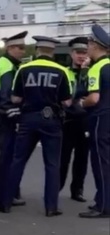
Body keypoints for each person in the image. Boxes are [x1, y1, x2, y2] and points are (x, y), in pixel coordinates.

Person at [4, 36, 73, 217]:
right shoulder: (62, 71)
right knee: (52, 164)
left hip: (28, 119)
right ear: (52, 51)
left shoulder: (24, 69)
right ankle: (51, 207)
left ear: (37, 50)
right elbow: (66, 101)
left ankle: (6, 202)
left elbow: (15, 98)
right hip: (52, 121)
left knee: (18, 160)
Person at [0, 31, 28, 213]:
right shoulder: (8, 68)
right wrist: (16, 117)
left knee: (7, 156)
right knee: (8, 157)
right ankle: (5, 199)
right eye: (20, 48)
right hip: (5, 115)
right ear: (11, 48)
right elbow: (6, 97)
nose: (23, 51)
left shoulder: (0, 63)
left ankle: (9, 195)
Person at [78, 25, 110, 219]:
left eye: (89, 44)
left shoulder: (96, 69)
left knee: (100, 163)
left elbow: (93, 98)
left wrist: (82, 102)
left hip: (99, 119)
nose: (87, 48)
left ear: (96, 46)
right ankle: (102, 200)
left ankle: (103, 206)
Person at [59, 37, 90, 203]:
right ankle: (56, 187)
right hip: (67, 120)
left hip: (85, 120)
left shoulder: (92, 72)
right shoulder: (64, 72)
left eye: (85, 53)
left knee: (82, 158)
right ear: (71, 54)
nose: (81, 56)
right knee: (62, 158)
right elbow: (69, 96)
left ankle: (77, 190)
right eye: (78, 52)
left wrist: (85, 72)